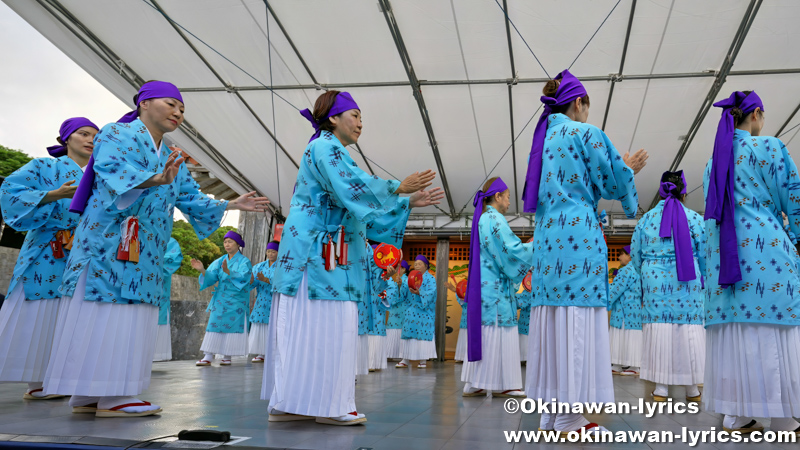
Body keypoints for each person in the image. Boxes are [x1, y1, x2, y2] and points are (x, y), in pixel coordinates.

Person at [42, 81, 269, 418]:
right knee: (108, 312)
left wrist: (230, 204)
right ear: (144, 103)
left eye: (182, 109)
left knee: (127, 316)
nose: (178, 113)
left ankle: (92, 393)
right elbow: (115, 171)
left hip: (145, 249)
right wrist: (156, 179)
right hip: (109, 242)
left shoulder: (171, 153)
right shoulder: (116, 134)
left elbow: (189, 196)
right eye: (171, 104)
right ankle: (110, 395)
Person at [262, 90, 444, 426]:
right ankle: (330, 405)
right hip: (320, 256)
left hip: (319, 254)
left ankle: (289, 402)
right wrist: (398, 188)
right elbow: (354, 188)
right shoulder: (325, 147)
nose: (361, 123)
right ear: (333, 118)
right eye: (355, 115)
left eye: (361, 118)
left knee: (305, 329)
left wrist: (404, 202)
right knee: (329, 327)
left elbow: (357, 206)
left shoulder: (331, 151)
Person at [523, 70, 647, 435]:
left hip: (547, 239)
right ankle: (569, 417)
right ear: (579, 103)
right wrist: (629, 169)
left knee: (553, 322)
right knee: (576, 321)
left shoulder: (542, 140)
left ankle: (550, 413)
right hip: (577, 237)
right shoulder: (584, 133)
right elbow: (612, 182)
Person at [703, 91, 800, 433]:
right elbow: (794, 197)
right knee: (771, 328)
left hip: (724, 260)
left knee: (735, 331)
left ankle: (737, 414)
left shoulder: (713, 162)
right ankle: (782, 417)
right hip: (766, 253)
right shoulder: (770, 147)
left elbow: (711, 217)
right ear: (756, 114)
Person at [0, 117, 98, 400]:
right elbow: (9, 192)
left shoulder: (101, 175)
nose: (91, 140)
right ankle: (37, 380)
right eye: (83, 134)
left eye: (96, 136)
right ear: (65, 139)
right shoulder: (43, 167)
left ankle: (65, 378)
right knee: (41, 308)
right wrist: (53, 194)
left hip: (84, 252)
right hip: (48, 247)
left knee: (76, 311)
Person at [631, 171, 705, 401]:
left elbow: (635, 255)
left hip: (654, 280)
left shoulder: (645, 219)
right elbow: (705, 252)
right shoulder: (694, 218)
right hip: (688, 280)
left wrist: (647, 273)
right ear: (684, 193)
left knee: (659, 329)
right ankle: (692, 388)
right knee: (688, 329)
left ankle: (661, 388)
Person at [461, 177, 533, 398]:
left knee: (486, 333)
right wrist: (535, 245)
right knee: (498, 333)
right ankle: (505, 384)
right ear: (498, 196)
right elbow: (511, 252)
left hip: (486, 288)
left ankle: (476, 382)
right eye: (508, 197)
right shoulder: (494, 218)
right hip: (495, 291)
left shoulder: (483, 218)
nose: (510, 202)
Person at [194, 231, 253, 366]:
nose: (227, 244)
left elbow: (245, 277)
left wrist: (228, 272)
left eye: (230, 242)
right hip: (220, 299)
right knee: (214, 324)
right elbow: (211, 277)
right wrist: (202, 270)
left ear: (238, 244)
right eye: (225, 242)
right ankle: (208, 355)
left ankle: (227, 355)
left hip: (236, 300)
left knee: (232, 326)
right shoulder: (220, 260)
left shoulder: (245, 261)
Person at [397, 255, 438, 369]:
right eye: (415, 264)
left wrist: (420, 292)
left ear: (426, 266)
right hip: (411, 311)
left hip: (425, 312)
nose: (417, 266)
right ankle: (405, 359)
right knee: (408, 335)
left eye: (420, 264)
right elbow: (403, 295)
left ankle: (423, 359)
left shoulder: (430, 279)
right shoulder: (410, 277)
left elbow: (431, 293)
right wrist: (400, 284)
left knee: (422, 335)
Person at [607, 246, 643, 376]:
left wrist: (604, 301)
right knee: (627, 336)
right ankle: (619, 365)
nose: (618, 257)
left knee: (623, 335)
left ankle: (633, 366)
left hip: (624, 310)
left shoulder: (626, 270)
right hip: (634, 309)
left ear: (629, 255)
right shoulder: (639, 270)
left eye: (621, 254)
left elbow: (616, 289)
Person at [249, 241, 279, 363]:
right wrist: (251, 280)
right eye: (268, 251)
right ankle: (261, 352)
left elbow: (283, 282)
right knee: (260, 325)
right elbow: (252, 283)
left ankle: (274, 353)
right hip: (261, 299)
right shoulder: (259, 266)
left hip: (275, 299)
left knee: (274, 325)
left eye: (273, 252)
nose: (270, 254)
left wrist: (267, 279)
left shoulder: (282, 266)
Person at [153, 237, 183, 362]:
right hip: (136, 286)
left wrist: (149, 262)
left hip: (158, 288)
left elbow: (173, 260)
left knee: (157, 316)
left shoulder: (169, 240)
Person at [385, 261, 410, 360]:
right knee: (392, 330)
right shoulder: (395, 280)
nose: (397, 269)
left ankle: (399, 355)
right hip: (394, 310)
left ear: (404, 269)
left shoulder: (407, 280)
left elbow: (403, 295)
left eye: (399, 267)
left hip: (402, 309)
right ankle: (390, 354)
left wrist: (400, 285)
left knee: (399, 329)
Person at [448, 278, 468, 363]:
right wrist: (457, 290)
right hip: (465, 316)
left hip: (475, 316)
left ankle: (468, 357)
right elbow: (463, 301)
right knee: (463, 335)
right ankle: (461, 356)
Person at [516, 281, 532, 366]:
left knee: (525, 343)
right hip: (526, 325)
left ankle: (524, 359)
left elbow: (518, 303)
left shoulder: (527, 293)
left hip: (525, 326)